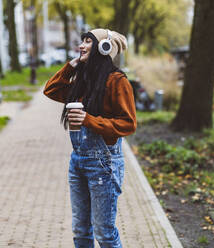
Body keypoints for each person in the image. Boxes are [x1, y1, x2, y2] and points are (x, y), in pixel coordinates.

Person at [43, 28, 136, 248]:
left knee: (104, 233)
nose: (81, 46)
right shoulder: (82, 81)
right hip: (78, 161)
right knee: (81, 230)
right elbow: (50, 89)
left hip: (103, 164)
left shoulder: (117, 81)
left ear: (104, 48)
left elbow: (128, 123)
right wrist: (71, 66)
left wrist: (89, 120)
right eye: (82, 41)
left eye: (88, 42)